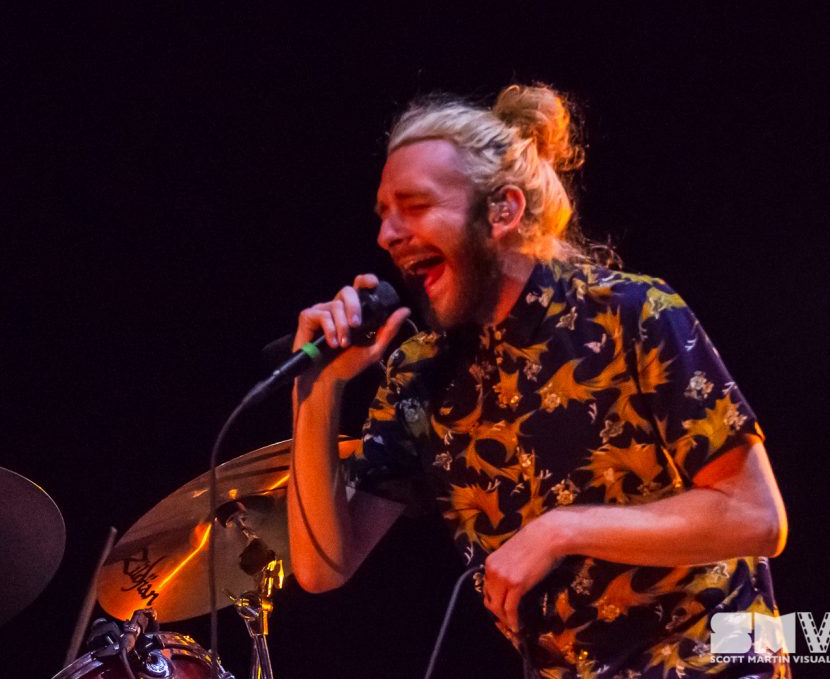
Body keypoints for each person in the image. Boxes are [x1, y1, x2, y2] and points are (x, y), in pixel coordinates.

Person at [286, 84, 789, 678]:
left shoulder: (631, 312)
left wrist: (563, 530)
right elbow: (322, 568)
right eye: (384, 214)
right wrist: (317, 390)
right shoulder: (419, 375)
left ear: (503, 211)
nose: (387, 235)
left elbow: (757, 518)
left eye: (414, 206)